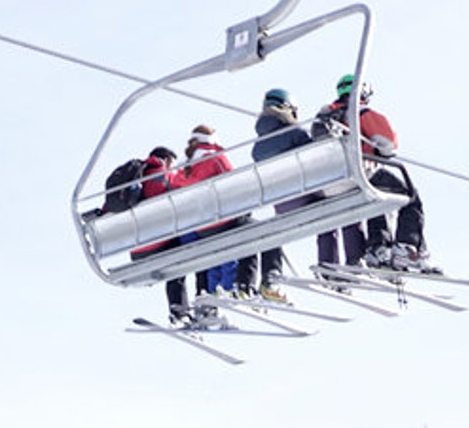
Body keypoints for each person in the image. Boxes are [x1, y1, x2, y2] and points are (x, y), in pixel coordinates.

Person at [315, 73, 441, 274]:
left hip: (327, 184)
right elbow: (388, 144)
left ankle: (378, 248)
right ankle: (407, 247)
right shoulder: (361, 113)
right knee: (410, 196)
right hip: (357, 174)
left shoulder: (323, 118)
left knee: (379, 197)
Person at [176, 125, 258, 297]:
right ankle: (233, 288)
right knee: (245, 240)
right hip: (223, 217)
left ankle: (214, 292)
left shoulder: (183, 168)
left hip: (200, 225)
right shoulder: (215, 158)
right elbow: (232, 183)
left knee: (214, 256)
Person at [250, 88, 314, 302]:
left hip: (281, 204)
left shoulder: (257, 146)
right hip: (305, 196)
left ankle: (269, 279)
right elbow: (315, 157)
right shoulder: (295, 134)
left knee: (272, 231)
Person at [128, 146, 191, 324]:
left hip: (136, 249)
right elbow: (184, 194)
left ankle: (178, 311)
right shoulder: (164, 175)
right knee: (187, 248)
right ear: (166, 160)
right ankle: (180, 309)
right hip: (159, 244)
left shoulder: (134, 177)